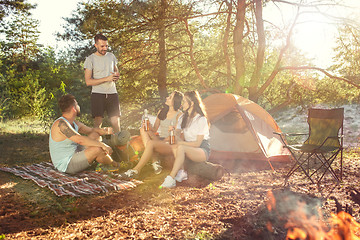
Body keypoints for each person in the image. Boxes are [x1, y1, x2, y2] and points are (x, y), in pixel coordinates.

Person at [49, 94, 119, 174]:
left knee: (95, 135)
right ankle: (115, 164)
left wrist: (104, 131)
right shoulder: (61, 125)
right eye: (77, 105)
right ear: (73, 109)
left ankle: (100, 162)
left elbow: (92, 131)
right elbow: (80, 140)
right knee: (97, 149)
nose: (79, 106)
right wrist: (103, 145)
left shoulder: (73, 122)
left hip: (75, 152)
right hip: (66, 164)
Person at [121, 91, 184, 178]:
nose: (166, 98)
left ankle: (138, 169)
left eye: (170, 97)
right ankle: (154, 162)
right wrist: (149, 126)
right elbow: (154, 129)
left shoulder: (179, 115)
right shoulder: (162, 111)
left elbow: (176, 134)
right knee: (143, 129)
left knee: (150, 143)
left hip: (169, 142)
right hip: (160, 140)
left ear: (175, 101)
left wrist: (164, 139)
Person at [160, 90, 211, 188]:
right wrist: (173, 132)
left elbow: (197, 144)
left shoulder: (201, 119)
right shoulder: (183, 117)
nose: (182, 104)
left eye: (184, 102)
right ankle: (182, 172)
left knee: (180, 147)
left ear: (191, 103)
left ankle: (171, 178)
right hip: (188, 147)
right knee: (174, 142)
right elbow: (177, 135)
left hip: (201, 149)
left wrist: (181, 143)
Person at [84, 33, 121, 133]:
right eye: (102, 46)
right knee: (98, 123)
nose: (105, 48)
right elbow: (88, 81)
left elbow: (116, 71)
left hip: (112, 93)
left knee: (115, 122)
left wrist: (116, 76)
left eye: (106, 46)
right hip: (97, 94)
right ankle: (96, 145)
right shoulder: (90, 59)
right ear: (96, 45)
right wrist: (106, 79)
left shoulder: (111, 56)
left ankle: (119, 145)